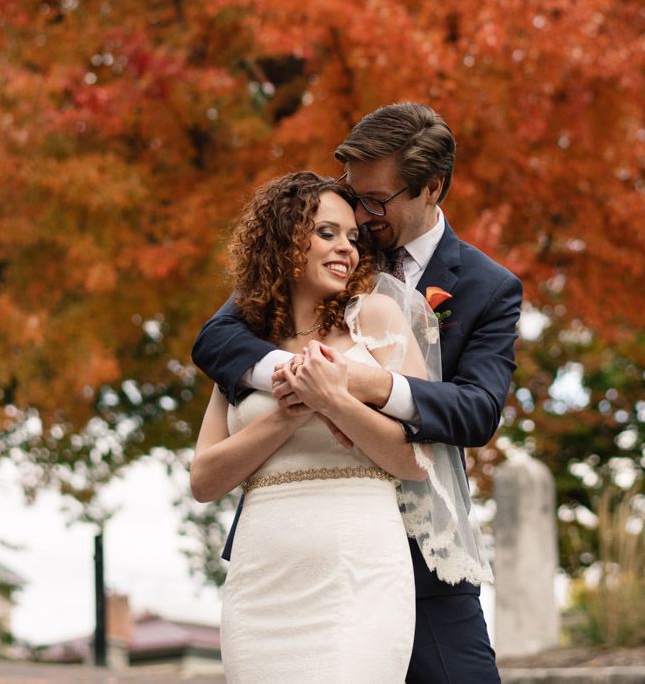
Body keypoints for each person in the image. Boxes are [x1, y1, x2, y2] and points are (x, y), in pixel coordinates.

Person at [193, 103, 521, 684]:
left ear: (431, 189)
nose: (359, 216)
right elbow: (218, 339)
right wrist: (296, 378)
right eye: (352, 192)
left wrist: (370, 384)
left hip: (423, 554)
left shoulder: (487, 287)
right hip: (286, 550)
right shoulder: (324, 247)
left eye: (376, 200)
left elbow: (477, 411)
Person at [190, 171, 432, 683]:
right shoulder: (245, 346)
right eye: (327, 233)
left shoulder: (379, 320)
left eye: (352, 237)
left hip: (358, 573)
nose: (346, 247)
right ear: (283, 240)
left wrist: (333, 399)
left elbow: (417, 461)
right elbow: (204, 479)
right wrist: (287, 411)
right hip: (261, 582)